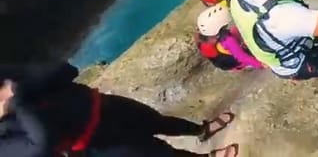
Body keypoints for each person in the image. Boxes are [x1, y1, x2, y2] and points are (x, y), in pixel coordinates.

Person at [0, 61, 238, 156]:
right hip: (97, 143)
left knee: (157, 121)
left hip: (104, 106)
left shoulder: (8, 79)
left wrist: (21, 90)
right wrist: (16, 104)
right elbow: (41, 145)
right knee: (157, 152)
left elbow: (67, 69)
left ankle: (201, 130)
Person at [196, 5, 264, 71]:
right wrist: (261, 64)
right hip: (233, 62)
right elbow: (242, 57)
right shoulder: (227, 40)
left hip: (222, 61)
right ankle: (244, 66)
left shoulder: (203, 37)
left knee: (237, 30)